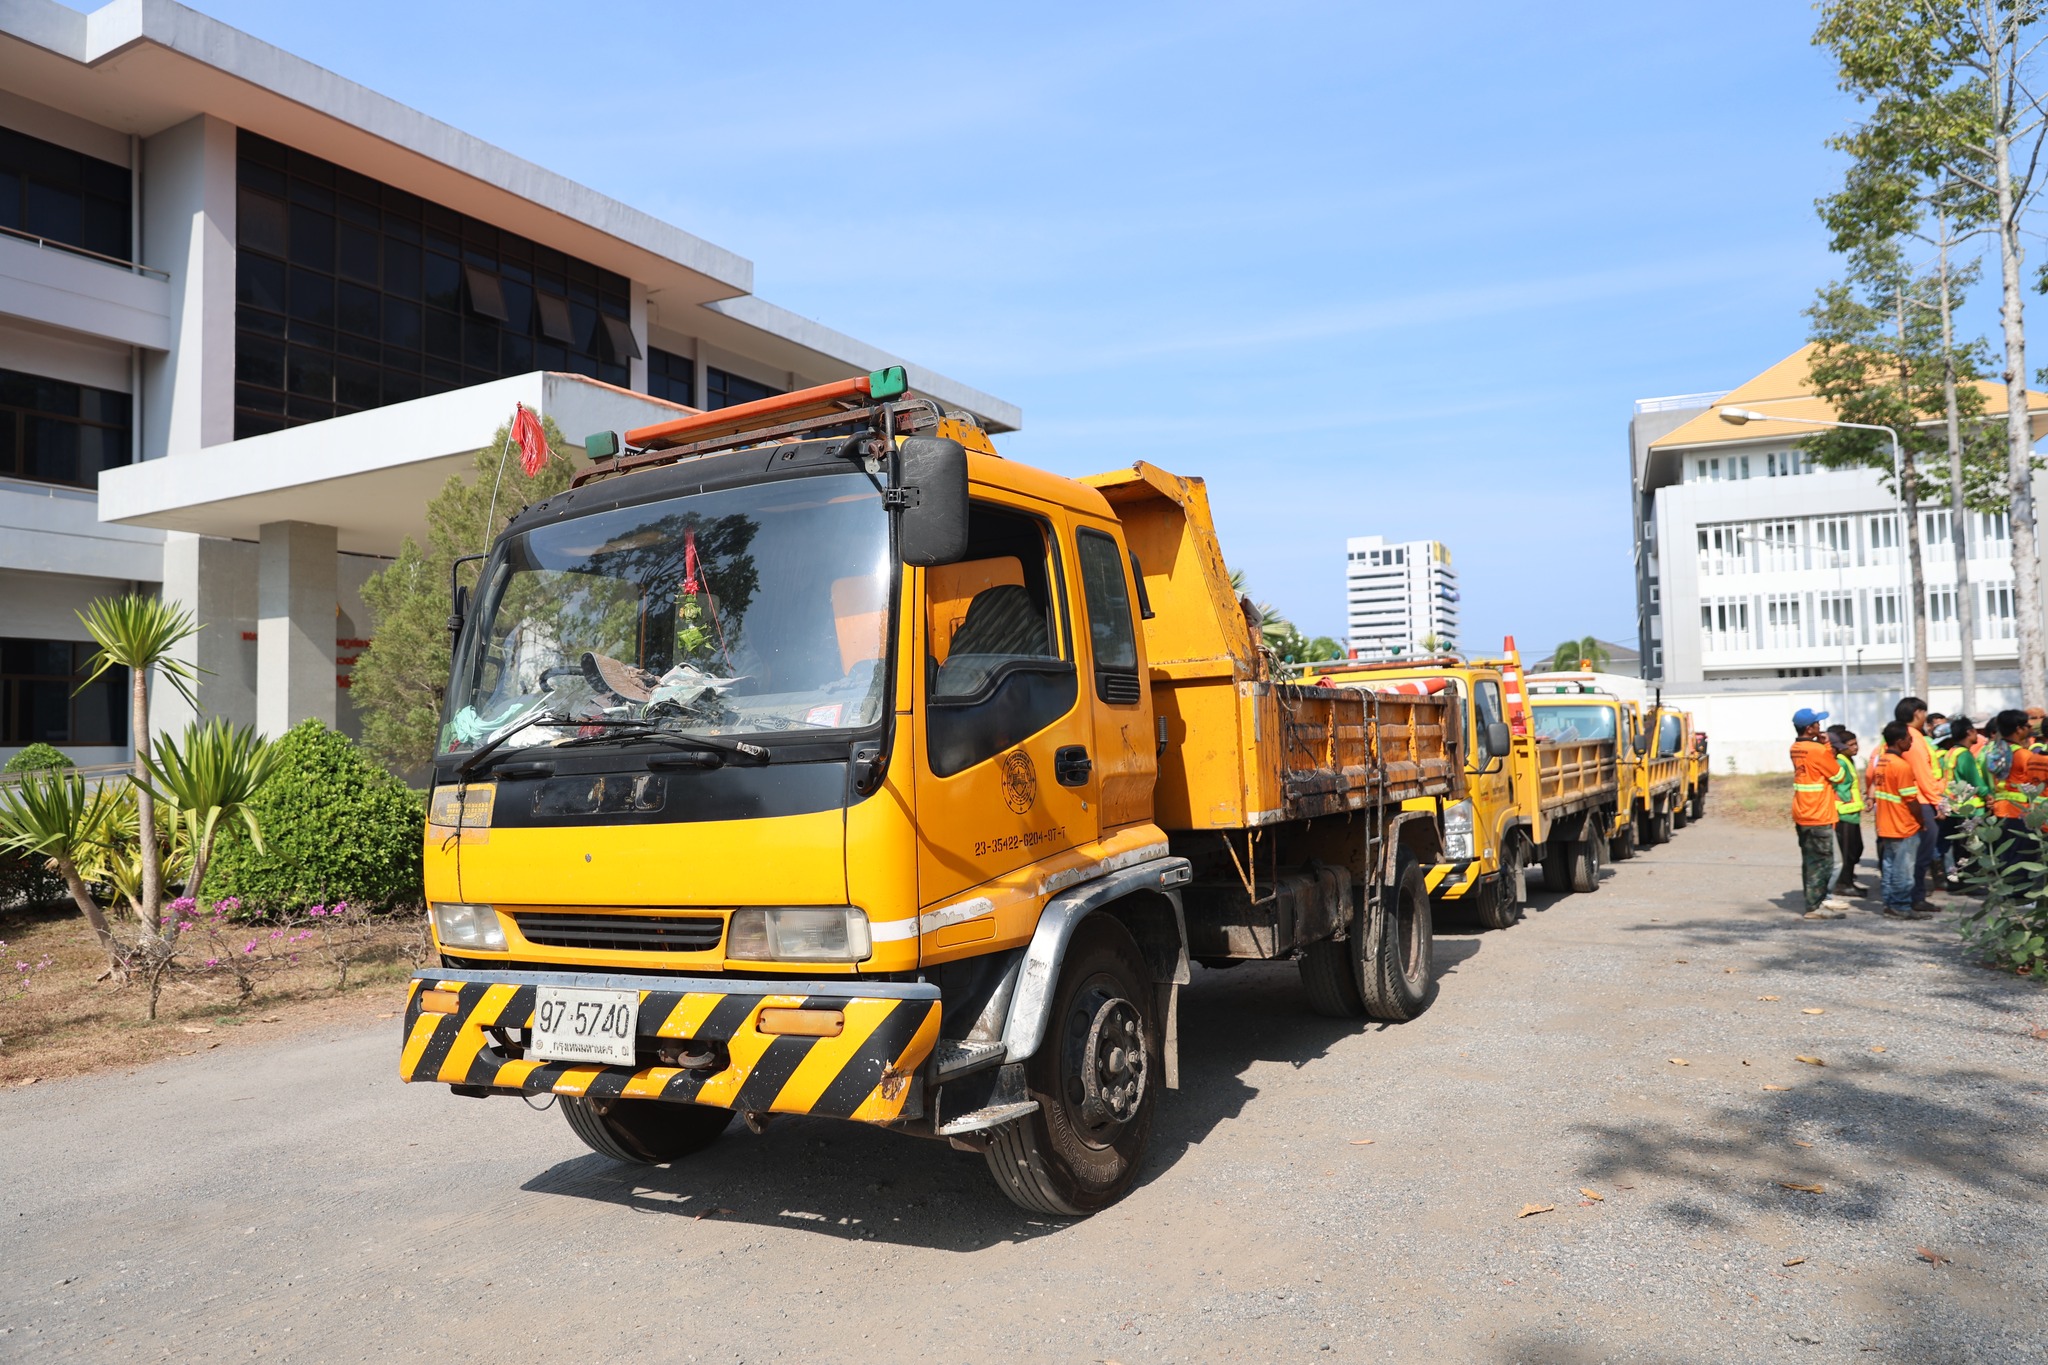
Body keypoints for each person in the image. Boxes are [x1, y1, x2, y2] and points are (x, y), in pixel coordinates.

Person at [1790, 708, 1850, 919]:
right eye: (1817, 723)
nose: (1820, 726)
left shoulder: (1796, 748)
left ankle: (1817, 901)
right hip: (1818, 813)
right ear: (1810, 728)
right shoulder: (1817, 750)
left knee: (1810, 860)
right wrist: (1827, 747)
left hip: (1803, 811)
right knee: (1823, 862)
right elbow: (1839, 776)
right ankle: (1815, 907)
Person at [1869, 721, 1926, 919]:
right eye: (1909, 739)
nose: (1911, 742)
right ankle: (1900, 906)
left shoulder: (1882, 762)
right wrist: (1921, 821)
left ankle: (1890, 904)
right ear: (1900, 741)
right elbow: (1911, 800)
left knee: (1890, 866)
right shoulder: (1901, 766)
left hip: (1886, 824)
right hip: (1903, 825)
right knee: (1904, 869)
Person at [1894, 696, 1945, 913]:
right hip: (1921, 800)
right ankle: (1915, 897)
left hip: (1913, 799)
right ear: (1917, 713)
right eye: (1924, 713)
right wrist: (1938, 802)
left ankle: (1908, 896)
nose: (1925, 717)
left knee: (1909, 854)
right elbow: (1923, 774)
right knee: (1921, 854)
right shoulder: (1912, 738)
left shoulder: (1902, 735)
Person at [1936, 715, 1991, 891]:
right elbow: (1975, 781)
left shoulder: (1951, 752)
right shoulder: (1965, 755)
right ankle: (1969, 884)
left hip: (1954, 806)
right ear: (1969, 732)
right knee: (1971, 848)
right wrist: (1988, 794)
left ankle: (1958, 882)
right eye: (1975, 731)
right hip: (1969, 809)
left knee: (1958, 848)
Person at [1825, 725, 1866, 896]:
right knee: (1847, 852)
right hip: (1844, 813)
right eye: (1851, 745)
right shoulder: (1841, 762)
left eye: (1856, 743)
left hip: (1852, 811)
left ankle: (1847, 879)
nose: (1855, 747)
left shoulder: (1849, 760)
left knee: (1856, 849)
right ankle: (1844, 883)